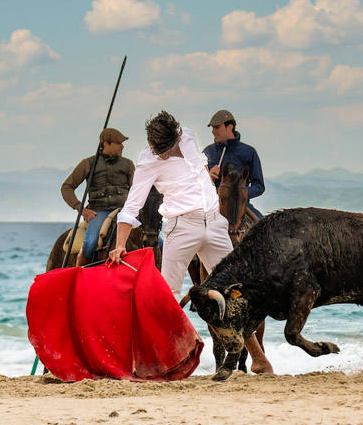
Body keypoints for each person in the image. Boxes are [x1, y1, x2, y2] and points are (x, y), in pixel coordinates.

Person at [108, 111, 273, 374]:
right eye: (156, 150)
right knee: (167, 295)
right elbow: (132, 207)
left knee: (234, 290)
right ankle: (161, 360)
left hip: (215, 222)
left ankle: (259, 359)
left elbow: (200, 170)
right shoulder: (147, 161)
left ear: (176, 138)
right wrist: (120, 244)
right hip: (181, 226)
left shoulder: (188, 135)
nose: (160, 155)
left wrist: (210, 174)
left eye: (164, 150)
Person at [60, 127, 134, 266]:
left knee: (157, 242)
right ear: (106, 143)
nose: (122, 146)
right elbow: (67, 187)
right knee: (90, 243)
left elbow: (136, 190)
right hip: (99, 211)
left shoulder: (128, 164)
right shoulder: (88, 163)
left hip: (124, 211)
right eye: (118, 143)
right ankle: (81, 274)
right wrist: (81, 209)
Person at [203, 109, 265, 218]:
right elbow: (194, 183)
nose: (213, 131)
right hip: (210, 207)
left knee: (264, 230)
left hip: (241, 206)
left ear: (230, 127)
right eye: (212, 128)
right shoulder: (207, 153)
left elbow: (259, 186)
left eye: (217, 127)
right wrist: (207, 177)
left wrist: (238, 193)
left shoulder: (248, 152)